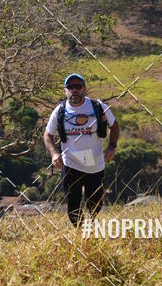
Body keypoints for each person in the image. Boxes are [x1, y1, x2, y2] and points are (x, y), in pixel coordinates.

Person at [44, 73, 119, 226]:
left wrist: (112, 147)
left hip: (95, 164)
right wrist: (54, 153)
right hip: (71, 163)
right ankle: (80, 232)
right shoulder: (60, 111)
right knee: (73, 205)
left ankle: (91, 227)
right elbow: (47, 135)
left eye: (78, 86)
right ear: (65, 91)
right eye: (70, 87)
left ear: (84, 89)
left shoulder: (97, 106)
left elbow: (115, 126)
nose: (74, 90)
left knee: (95, 204)